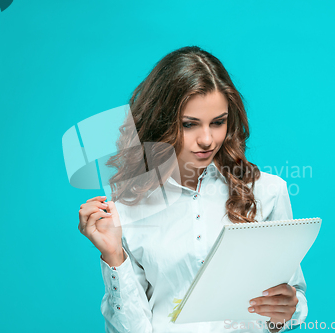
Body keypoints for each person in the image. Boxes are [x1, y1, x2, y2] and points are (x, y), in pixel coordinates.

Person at [78, 46, 308, 333]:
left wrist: (285, 310)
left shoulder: (268, 191)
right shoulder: (126, 207)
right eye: (190, 124)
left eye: (218, 122)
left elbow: (290, 305)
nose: (207, 139)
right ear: (161, 120)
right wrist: (114, 257)